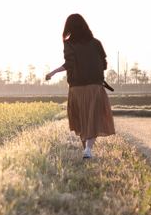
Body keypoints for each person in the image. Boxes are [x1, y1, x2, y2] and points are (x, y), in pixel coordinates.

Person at [44, 13, 115, 159]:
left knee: (80, 119)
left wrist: (53, 72)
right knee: (93, 118)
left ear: (69, 28)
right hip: (95, 87)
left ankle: (86, 150)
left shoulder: (69, 43)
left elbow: (70, 64)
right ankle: (88, 150)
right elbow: (104, 65)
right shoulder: (96, 43)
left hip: (77, 88)